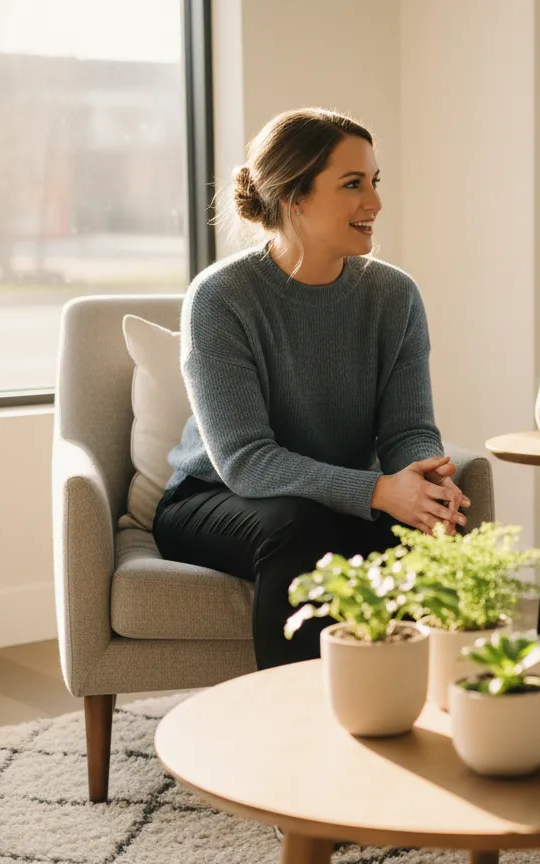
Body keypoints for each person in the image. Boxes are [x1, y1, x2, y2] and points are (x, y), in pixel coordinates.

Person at [154, 108, 468, 671]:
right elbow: (245, 461)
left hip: (333, 494)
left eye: (374, 182)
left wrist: (426, 482)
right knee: (301, 528)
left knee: (433, 525)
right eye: (353, 184)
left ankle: (425, 716)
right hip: (214, 498)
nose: (374, 202)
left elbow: (409, 428)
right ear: (293, 196)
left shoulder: (394, 296)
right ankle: (295, 730)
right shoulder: (221, 298)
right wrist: (377, 491)